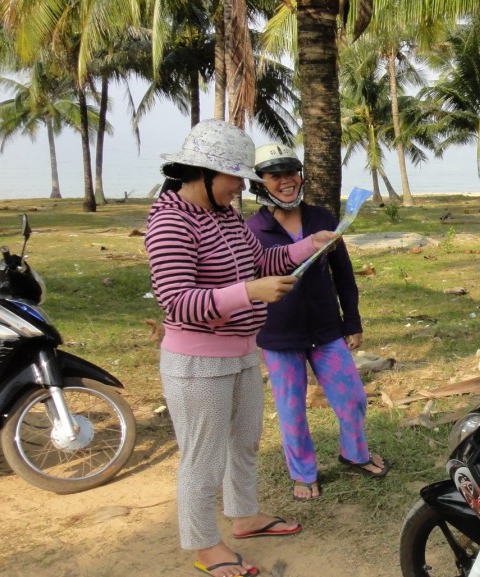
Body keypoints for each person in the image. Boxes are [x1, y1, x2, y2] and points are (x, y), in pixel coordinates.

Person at [145, 120, 338, 577]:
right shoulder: (170, 221)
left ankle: (245, 516)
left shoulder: (225, 217)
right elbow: (178, 301)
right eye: (233, 178)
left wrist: (309, 244)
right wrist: (249, 293)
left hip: (241, 353)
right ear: (204, 173)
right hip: (196, 364)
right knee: (202, 457)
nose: (240, 188)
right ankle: (203, 544)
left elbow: (260, 260)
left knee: (245, 442)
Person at [245, 143, 389, 503]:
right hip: (278, 336)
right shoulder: (251, 230)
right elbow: (244, 285)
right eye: (275, 176)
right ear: (260, 184)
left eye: (291, 172)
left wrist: (351, 320)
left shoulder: (322, 218)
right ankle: (303, 473)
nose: (286, 181)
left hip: (326, 330)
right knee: (292, 410)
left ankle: (355, 453)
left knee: (353, 398)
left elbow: (342, 272)